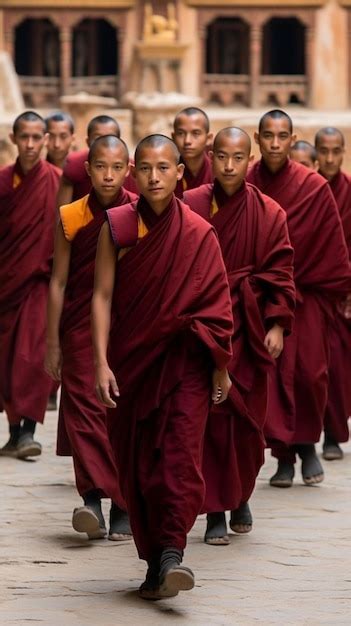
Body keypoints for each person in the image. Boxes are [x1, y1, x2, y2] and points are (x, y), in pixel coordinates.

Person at [91, 134, 233, 599]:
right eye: (146, 168)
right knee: (139, 463)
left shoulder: (198, 232)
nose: (154, 177)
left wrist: (220, 368)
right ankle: (155, 564)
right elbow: (102, 296)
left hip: (186, 365)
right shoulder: (118, 226)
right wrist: (99, 362)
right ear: (135, 171)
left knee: (179, 460)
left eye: (164, 168)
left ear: (180, 173)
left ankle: (173, 552)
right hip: (132, 364)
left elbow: (216, 304)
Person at [184, 128, 295, 544]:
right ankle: (214, 509)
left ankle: (241, 495)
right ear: (211, 157)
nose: (229, 166)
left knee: (248, 423)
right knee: (211, 421)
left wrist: (278, 324)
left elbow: (281, 274)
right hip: (205, 328)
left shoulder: (269, 212)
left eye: (238, 158)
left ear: (248, 160)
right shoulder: (190, 204)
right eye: (222, 157)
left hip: (248, 331)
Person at [247, 109, 351, 487]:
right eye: (268, 136)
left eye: (282, 136)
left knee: (310, 375)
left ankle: (309, 444)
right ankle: (284, 458)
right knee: (270, 380)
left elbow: (333, 249)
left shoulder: (313, 187)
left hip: (305, 298)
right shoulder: (244, 181)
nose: (275, 143)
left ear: (292, 140)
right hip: (260, 299)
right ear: (257, 139)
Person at [45, 136, 136, 539]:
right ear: (88, 169)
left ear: (128, 168)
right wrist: (52, 342)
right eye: (100, 166)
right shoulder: (71, 215)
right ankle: (92, 502)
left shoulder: (140, 211)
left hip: (130, 325)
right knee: (83, 411)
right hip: (81, 325)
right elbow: (59, 280)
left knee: (121, 412)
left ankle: (122, 503)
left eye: (117, 167)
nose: (108, 175)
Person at [0, 111, 60, 458]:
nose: (31, 144)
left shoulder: (56, 181)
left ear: (47, 141)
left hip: (40, 282)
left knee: (31, 359)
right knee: (6, 362)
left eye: (38, 138)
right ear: (13, 139)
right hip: (6, 284)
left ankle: (28, 432)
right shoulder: (4, 181)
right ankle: (12, 432)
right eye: (25, 137)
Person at [315, 126, 351, 460]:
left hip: (344, 294)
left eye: (335, 151)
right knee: (316, 367)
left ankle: (333, 434)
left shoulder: (349, 191)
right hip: (314, 293)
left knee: (340, 368)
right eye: (323, 151)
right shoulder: (309, 192)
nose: (329, 158)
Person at [45, 111, 76, 411]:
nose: (56, 142)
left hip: (66, 267)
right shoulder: (17, 179)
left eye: (62, 135)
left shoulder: (78, 175)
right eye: (50, 135)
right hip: (37, 268)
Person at [56, 115, 138, 208]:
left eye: (117, 167)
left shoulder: (134, 168)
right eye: (97, 138)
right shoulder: (74, 164)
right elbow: (61, 213)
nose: (104, 144)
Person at [172, 107, 213, 198]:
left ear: (208, 138)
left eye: (196, 133)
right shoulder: (167, 174)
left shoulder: (217, 175)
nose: (187, 141)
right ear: (173, 137)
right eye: (181, 133)